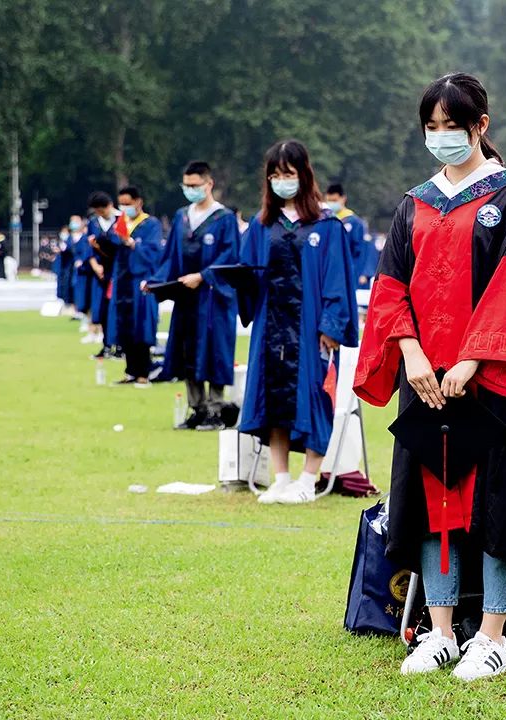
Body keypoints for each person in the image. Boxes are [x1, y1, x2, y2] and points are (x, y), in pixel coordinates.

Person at [355, 73, 506, 681]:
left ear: (482, 126)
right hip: (424, 379)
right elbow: (391, 285)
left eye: (454, 126)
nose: (443, 138)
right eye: (433, 127)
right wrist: (413, 356)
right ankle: (440, 631)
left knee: (495, 499)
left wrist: (471, 360)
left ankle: (493, 634)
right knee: (433, 497)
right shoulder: (414, 203)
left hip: (490, 380)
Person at [236, 140, 357, 505]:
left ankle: (308, 478)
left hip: (311, 331)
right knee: (272, 400)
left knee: (315, 398)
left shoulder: (326, 226)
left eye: (288, 174)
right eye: (274, 175)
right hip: (271, 329)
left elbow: (338, 279)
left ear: (303, 175)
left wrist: (331, 326)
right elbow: (247, 272)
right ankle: (282, 478)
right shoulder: (262, 226)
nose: (281, 181)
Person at [151, 161, 240, 428]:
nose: (190, 190)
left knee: (214, 352)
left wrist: (203, 276)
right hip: (186, 299)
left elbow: (231, 258)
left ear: (208, 184)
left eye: (195, 186)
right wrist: (156, 282)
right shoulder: (182, 216)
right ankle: (197, 409)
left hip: (214, 299)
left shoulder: (223, 219)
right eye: (186, 186)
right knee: (187, 352)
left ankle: (215, 409)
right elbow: (170, 258)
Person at [109, 187, 162, 385]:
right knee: (124, 326)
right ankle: (130, 371)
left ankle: (144, 372)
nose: (124, 208)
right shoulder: (120, 223)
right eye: (121, 204)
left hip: (140, 281)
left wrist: (133, 244)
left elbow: (154, 252)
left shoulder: (150, 224)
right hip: (122, 281)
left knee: (142, 326)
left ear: (138, 202)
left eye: (128, 204)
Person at [85, 192, 120, 360]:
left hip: (119, 271)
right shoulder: (93, 223)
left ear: (110, 205)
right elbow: (89, 249)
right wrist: (95, 265)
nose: (100, 214)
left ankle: (120, 346)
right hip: (101, 272)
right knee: (103, 309)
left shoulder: (121, 220)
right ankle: (106, 344)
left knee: (118, 309)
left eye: (102, 211)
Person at [324, 183, 372, 290]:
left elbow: (362, 250)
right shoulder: (326, 221)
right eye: (329, 200)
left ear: (343, 199)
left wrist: (363, 273)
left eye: (334, 200)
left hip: (350, 271)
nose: (331, 203)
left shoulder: (354, 222)